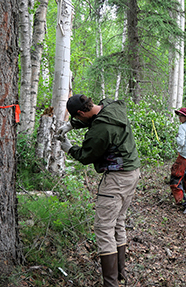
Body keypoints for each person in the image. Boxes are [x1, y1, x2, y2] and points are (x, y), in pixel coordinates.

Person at [57, 94, 140, 287]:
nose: (78, 121)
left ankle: (111, 284)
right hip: (133, 172)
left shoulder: (101, 129)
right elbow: (93, 117)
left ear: (80, 112)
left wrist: (69, 148)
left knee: (104, 229)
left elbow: (87, 155)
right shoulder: (111, 107)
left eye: (77, 118)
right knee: (118, 222)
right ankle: (120, 274)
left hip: (117, 179)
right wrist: (71, 125)